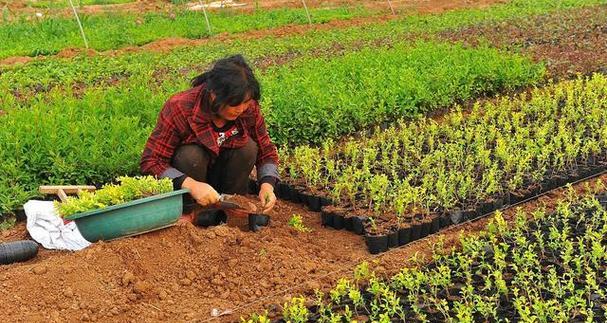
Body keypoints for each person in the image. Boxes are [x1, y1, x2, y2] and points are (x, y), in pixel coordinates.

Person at [140, 54, 279, 222]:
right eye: (235, 103)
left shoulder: (248, 108)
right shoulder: (180, 107)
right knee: (190, 155)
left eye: (246, 102)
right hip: (190, 182)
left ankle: (232, 207)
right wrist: (191, 185)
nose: (241, 109)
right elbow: (151, 161)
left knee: (248, 148)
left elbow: (266, 151)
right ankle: (190, 212)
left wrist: (267, 185)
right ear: (214, 95)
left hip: (224, 179)